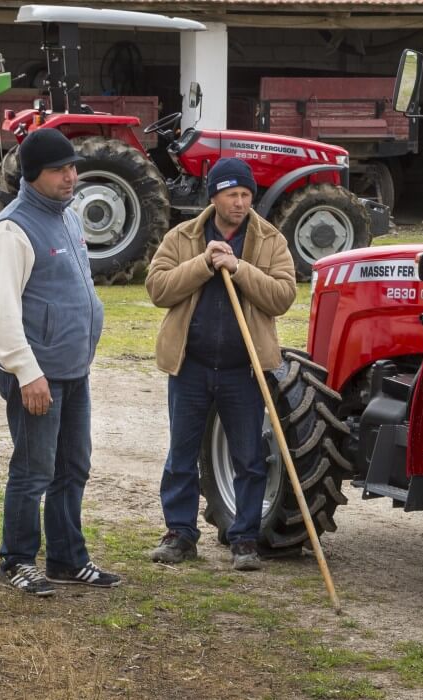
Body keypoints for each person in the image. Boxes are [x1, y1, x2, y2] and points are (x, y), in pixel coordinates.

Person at [0, 128, 122, 595]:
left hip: (72, 370)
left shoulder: (67, 218)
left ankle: (67, 559)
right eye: (60, 170)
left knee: (73, 467)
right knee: (33, 471)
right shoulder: (11, 230)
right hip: (38, 378)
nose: (71, 176)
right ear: (32, 175)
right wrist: (26, 370)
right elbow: (2, 311)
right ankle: (17, 560)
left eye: (72, 167)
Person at [145, 157, 297, 572]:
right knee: (181, 453)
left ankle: (244, 539)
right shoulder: (183, 236)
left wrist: (239, 268)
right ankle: (179, 534)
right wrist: (203, 264)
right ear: (215, 196)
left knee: (248, 457)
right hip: (190, 366)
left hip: (243, 370)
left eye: (247, 195)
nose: (241, 203)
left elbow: (283, 296)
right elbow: (157, 288)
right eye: (233, 195)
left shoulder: (270, 240)